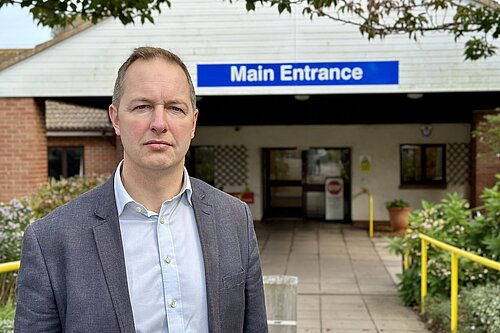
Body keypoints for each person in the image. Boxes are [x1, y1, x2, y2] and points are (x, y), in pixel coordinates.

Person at [15, 46, 268, 333]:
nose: (159, 124)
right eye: (142, 107)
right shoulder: (51, 240)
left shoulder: (234, 219)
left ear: (193, 123)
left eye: (175, 108)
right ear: (116, 119)